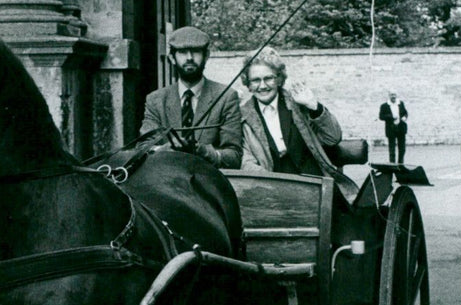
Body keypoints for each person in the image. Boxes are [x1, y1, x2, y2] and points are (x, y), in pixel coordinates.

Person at [239, 48, 356, 204]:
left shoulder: (298, 104)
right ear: (248, 83)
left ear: (279, 79)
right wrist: (273, 186)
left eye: (269, 78)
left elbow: (333, 138)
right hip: (273, 193)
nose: (262, 86)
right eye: (255, 80)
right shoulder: (243, 117)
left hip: (317, 187)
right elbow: (247, 162)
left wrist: (314, 106)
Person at [139, 25, 242, 169]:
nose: (189, 58)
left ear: (206, 56)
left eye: (195, 51)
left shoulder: (226, 97)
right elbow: (143, 147)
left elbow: (234, 156)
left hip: (208, 183)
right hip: (166, 182)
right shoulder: (156, 100)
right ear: (172, 58)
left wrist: (204, 151)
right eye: (182, 52)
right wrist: (165, 150)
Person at [379, 90, 408, 163]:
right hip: (391, 128)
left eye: (394, 95)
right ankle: (392, 164)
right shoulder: (384, 106)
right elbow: (381, 116)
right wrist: (391, 117)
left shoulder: (401, 104)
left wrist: (405, 117)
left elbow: (405, 112)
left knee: (402, 148)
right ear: (389, 96)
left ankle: (401, 164)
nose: (393, 96)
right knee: (392, 148)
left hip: (401, 128)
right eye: (392, 95)